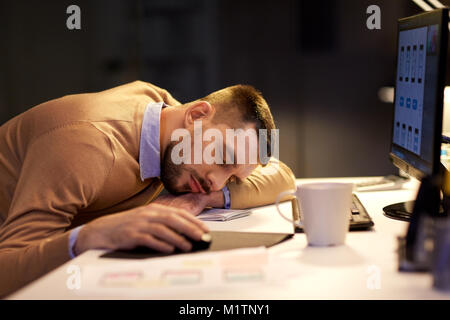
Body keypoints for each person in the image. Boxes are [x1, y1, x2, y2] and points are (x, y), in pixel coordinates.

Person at [0, 81, 295, 296]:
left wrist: (202, 198)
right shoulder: (86, 148)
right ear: (196, 115)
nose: (216, 181)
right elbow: (6, 273)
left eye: (232, 178)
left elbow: (282, 175)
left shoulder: (168, 116)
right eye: (222, 157)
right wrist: (90, 236)